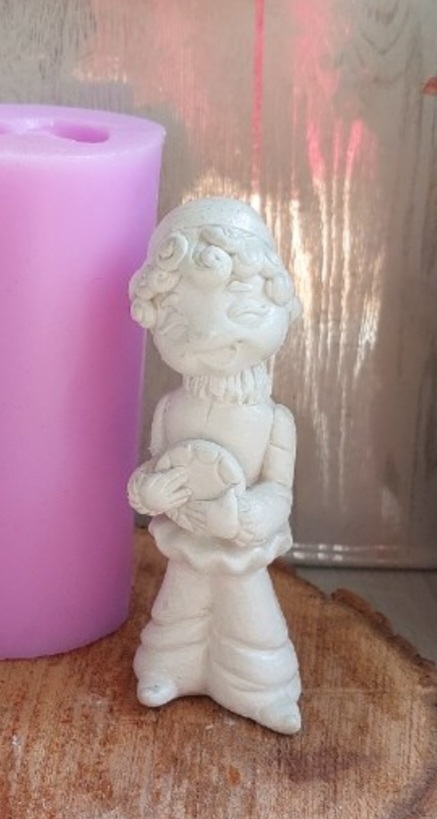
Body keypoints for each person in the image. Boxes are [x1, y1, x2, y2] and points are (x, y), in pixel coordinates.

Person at [127, 197, 303, 734]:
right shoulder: (171, 409)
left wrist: (243, 516)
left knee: (250, 613)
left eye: (242, 314)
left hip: (238, 544)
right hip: (189, 537)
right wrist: (151, 493)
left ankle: (261, 688)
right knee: (179, 605)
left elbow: (279, 491)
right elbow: (153, 466)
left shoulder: (272, 421)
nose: (209, 340)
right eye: (182, 323)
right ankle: (169, 667)